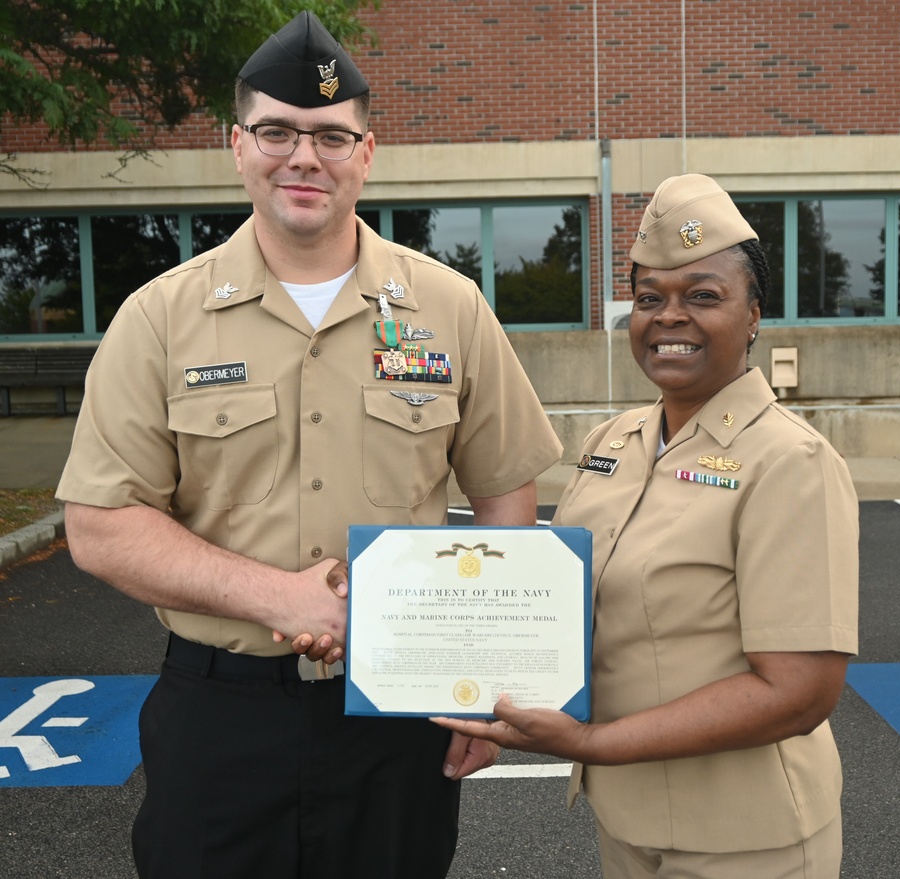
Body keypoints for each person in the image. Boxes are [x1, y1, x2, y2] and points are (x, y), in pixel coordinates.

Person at [56, 11, 562, 879]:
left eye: (332, 136)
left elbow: (506, 489)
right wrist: (278, 597)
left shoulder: (448, 309)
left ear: (366, 154)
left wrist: (482, 684)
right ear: (238, 145)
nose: (304, 156)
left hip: (398, 717)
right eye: (278, 131)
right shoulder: (160, 320)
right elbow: (100, 525)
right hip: (222, 712)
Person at [434, 174, 859, 879]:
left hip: (746, 837)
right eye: (650, 297)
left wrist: (593, 740)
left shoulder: (791, 461)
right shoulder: (612, 442)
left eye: (702, 295)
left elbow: (800, 690)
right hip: (629, 819)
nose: (669, 316)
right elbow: (552, 597)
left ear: (754, 314)